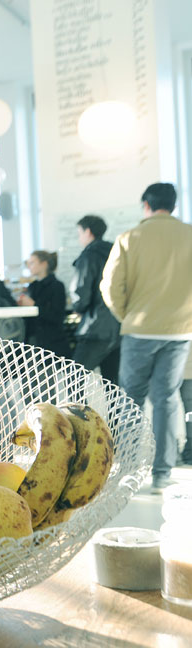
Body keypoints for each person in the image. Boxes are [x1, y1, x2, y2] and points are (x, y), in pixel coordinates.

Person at [101, 182, 192, 493]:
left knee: (131, 400)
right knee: (167, 399)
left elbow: (111, 287)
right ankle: (163, 473)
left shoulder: (130, 238)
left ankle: (127, 470)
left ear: (146, 205)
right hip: (180, 331)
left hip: (139, 329)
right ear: (174, 206)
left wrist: (127, 315)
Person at [70, 215, 121, 382]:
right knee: (113, 384)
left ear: (88, 232)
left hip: (95, 328)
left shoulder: (88, 256)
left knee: (74, 379)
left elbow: (81, 293)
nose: (79, 238)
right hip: (118, 327)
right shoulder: (116, 252)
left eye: (79, 233)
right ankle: (115, 410)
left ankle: (79, 409)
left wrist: (78, 308)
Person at [18, 250, 70, 357]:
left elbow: (57, 316)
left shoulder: (57, 286)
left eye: (32, 263)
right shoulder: (32, 286)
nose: (29, 266)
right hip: (32, 343)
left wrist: (33, 305)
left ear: (44, 264)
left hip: (51, 344)